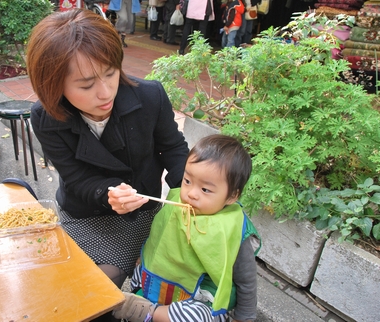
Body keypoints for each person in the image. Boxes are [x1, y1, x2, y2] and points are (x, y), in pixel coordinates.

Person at [26, 8, 189, 322]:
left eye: (111, 73)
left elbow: (175, 152)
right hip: (83, 212)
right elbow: (75, 178)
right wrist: (110, 192)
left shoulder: (150, 97)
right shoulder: (46, 116)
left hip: (140, 211)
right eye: (86, 86)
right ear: (53, 85)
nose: (104, 93)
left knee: (97, 290)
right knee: (59, 287)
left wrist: (192, 198)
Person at [112, 134, 261, 322]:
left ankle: (146, 312)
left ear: (232, 196)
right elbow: (158, 238)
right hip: (160, 284)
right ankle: (147, 308)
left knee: (196, 316)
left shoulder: (232, 229)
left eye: (205, 190)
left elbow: (246, 281)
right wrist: (142, 258)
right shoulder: (176, 204)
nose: (191, 194)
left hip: (200, 299)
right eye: (187, 181)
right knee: (140, 278)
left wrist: (244, 317)